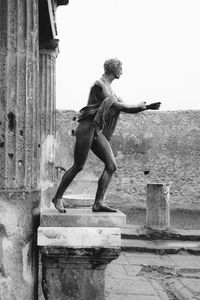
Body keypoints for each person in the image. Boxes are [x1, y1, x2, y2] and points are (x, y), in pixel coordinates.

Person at [52, 58, 161, 213]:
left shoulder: (109, 88)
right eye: (120, 68)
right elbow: (117, 105)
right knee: (78, 166)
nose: (122, 71)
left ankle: (98, 203)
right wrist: (141, 107)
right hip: (85, 128)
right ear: (113, 69)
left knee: (111, 165)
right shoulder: (99, 85)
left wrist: (145, 107)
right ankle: (57, 197)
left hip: (95, 129)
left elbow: (121, 105)